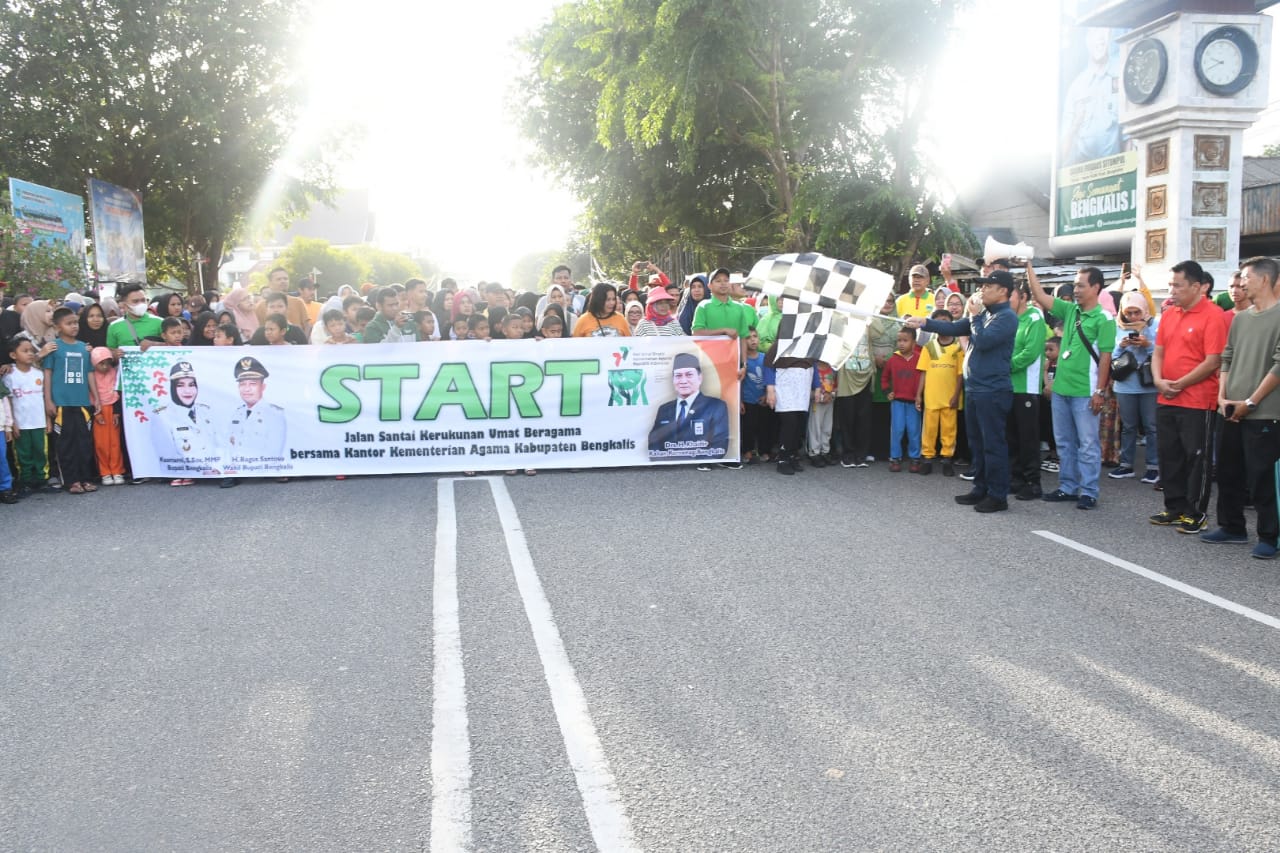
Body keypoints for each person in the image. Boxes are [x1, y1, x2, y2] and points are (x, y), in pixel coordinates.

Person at [908, 271, 1020, 512]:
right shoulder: (984, 315)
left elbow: (984, 340)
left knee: (993, 444)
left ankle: (998, 495)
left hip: (993, 390)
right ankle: (980, 488)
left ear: (1003, 290)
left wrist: (975, 315)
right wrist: (924, 322)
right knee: (977, 443)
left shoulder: (1006, 317)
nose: (982, 291)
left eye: (988, 286)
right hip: (976, 389)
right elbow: (956, 327)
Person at [1202, 257, 1280, 558]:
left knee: (1261, 476)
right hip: (1230, 409)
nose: (1240, 283)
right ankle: (1232, 526)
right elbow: (1227, 357)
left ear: (1264, 279)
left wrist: (1250, 402)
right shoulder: (1240, 318)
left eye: (1245, 277)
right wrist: (1223, 398)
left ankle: (1269, 535)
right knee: (1228, 471)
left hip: (1265, 411)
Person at [1026, 262, 1115, 509]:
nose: (1075, 289)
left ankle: (1089, 491)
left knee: (1087, 444)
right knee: (1064, 441)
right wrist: (1029, 267)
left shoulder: (1104, 318)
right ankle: (1067, 487)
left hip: (1085, 392)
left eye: (1080, 285)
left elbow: (1106, 357)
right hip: (1061, 390)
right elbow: (1040, 296)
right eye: (1075, 285)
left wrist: (1100, 391)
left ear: (1096, 287)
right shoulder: (1071, 310)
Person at [1145, 261, 1225, 533]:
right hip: (1166, 397)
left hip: (1197, 399)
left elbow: (1213, 360)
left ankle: (1196, 512)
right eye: (1171, 284)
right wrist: (1158, 380)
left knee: (1196, 457)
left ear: (1196, 286)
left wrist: (1178, 383)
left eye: (1178, 285)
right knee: (1170, 455)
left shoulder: (1213, 315)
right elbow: (1158, 352)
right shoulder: (1169, 313)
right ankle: (1174, 507)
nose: (1173, 290)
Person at [43, 307, 100, 494]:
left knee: (84, 443)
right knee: (65, 444)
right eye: (69, 323)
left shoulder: (84, 348)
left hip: (82, 403)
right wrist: (48, 401)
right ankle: (71, 480)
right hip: (61, 404)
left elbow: (90, 375)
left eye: (75, 322)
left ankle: (85, 478)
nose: (74, 326)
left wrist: (96, 398)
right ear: (58, 326)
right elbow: (48, 375)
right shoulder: (54, 348)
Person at [1108, 292, 1160, 485]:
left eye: (1136, 312)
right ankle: (1126, 464)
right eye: (1128, 313)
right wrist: (1121, 346)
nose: (1132, 317)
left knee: (1151, 427)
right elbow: (1112, 356)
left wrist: (1147, 344)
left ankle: (1154, 467)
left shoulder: (1154, 325)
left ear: (1144, 309)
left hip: (1148, 383)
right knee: (1128, 427)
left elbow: (1161, 352)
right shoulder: (1116, 326)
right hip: (1125, 383)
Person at [647, 352, 730, 463]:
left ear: (700, 378)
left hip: (700, 466)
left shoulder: (715, 406)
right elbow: (654, 440)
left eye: (689, 375)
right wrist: (663, 461)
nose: (683, 381)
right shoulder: (664, 409)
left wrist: (697, 462)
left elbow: (719, 442)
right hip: (669, 468)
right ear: (673, 380)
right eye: (678, 376)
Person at [1007, 282, 1047, 499]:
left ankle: (1033, 482)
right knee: (1011, 436)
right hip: (1009, 386)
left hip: (1027, 388)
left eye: (1010, 296)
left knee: (1028, 437)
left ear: (1022, 297)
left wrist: (1006, 365)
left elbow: (1030, 352)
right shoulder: (1011, 319)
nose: (1007, 301)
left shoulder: (1035, 318)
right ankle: (1016, 478)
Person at [915, 309, 963, 476]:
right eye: (938, 322)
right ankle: (927, 458)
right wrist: (918, 395)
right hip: (931, 397)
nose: (942, 325)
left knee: (949, 429)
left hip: (950, 397)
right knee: (929, 429)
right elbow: (923, 372)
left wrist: (956, 395)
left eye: (945, 321)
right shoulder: (929, 347)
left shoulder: (958, 348)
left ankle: (947, 458)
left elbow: (960, 374)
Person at [3, 337, 52, 495]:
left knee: (41, 451)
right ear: (13, 355)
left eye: (32, 350)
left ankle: (42, 479)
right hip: (21, 424)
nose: (30, 354)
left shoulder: (39, 374)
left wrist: (48, 419)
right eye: (25, 351)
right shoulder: (9, 376)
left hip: (39, 422)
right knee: (23, 454)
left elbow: (44, 398)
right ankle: (25, 481)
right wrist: (13, 424)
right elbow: (8, 401)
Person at [693, 268, 754, 375]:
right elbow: (696, 333)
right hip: (709, 365)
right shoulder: (703, 306)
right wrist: (723, 330)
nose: (723, 284)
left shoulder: (739, 308)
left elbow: (743, 338)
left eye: (726, 280)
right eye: (718, 281)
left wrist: (744, 364)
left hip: (734, 365)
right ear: (709, 286)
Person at [227, 356, 286, 466]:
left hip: (263, 469)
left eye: (253, 384)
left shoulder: (275, 414)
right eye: (242, 384)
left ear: (263, 387)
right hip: (239, 469)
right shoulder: (237, 413)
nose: (247, 389)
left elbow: (275, 452)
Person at [881, 328, 922, 473]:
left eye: (905, 340)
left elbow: (925, 378)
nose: (901, 343)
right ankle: (895, 458)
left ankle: (915, 458)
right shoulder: (893, 359)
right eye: (899, 340)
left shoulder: (919, 358)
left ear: (914, 342)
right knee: (897, 430)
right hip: (897, 401)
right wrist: (887, 391)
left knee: (914, 430)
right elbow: (884, 378)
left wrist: (921, 395)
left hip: (913, 403)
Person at [90, 347, 126, 485]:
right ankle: (105, 472)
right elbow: (91, 395)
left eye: (107, 363)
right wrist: (96, 412)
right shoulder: (92, 375)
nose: (105, 367)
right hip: (99, 410)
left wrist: (117, 412)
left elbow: (116, 391)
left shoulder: (114, 372)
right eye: (101, 363)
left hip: (112, 409)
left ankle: (117, 470)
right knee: (101, 444)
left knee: (115, 443)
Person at [740, 329, 771, 463]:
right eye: (748, 338)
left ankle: (764, 450)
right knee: (748, 426)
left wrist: (766, 394)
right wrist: (740, 400)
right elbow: (738, 382)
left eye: (755, 336)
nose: (753, 340)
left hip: (763, 399)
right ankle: (747, 451)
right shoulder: (742, 361)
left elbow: (769, 378)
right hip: (748, 400)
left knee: (765, 426)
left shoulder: (764, 358)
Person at [107, 284, 164, 354]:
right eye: (135, 301)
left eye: (143, 300)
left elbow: (174, 346)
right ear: (125, 305)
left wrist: (154, 344)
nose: (141, 304)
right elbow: (110, 351)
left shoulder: (160, 322)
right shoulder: (114, 326)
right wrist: (115, 355)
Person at [807, 361, 837, 467]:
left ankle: (825, 451)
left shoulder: (832, 368)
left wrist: (831, 394)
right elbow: (807, 386)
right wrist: (817, 395)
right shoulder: (812, 367)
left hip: (829, 401)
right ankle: (814, 452)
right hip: (816, 401)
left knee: (827, 427)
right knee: (815, 427)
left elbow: (836, 386)